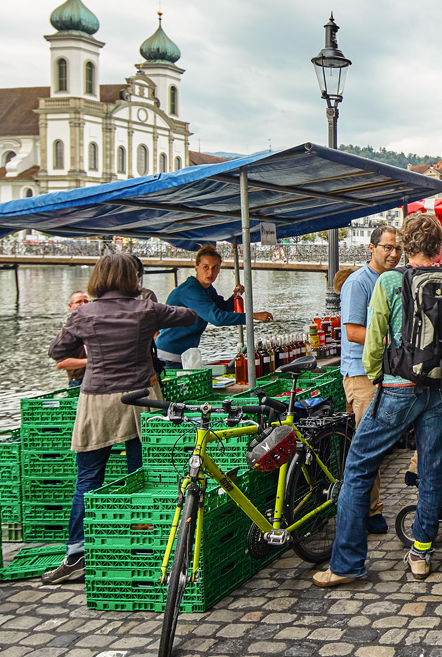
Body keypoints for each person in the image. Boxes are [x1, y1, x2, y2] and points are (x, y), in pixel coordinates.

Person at [312, 214, 442, 586]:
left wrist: (375, 378)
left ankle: (346, 564)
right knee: (431, 468)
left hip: (399, 387)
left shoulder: (389, 281)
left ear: (406, 245)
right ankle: (421, 553)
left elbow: (373, 343)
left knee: (358, 467)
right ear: (438, 247)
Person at [43, 254, 197, 583]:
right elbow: (188, 316)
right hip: (142, 400)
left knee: (87, 480)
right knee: (144, 477)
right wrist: (149, 315)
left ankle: (76, 554)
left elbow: (57, 351)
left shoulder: (83, 313)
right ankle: (147, 547)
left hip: (97, 401)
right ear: (133, 279)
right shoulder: (145, 310)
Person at [339, 225, 400, 535]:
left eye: (397, 248)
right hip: (361, 374)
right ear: (372, 248)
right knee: (367, 443)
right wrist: (393, 339)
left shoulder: (393, 281)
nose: (393, 253)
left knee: (379, 443)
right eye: (387, 247)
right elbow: (352, 331)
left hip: (386, 370)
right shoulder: (357, 283)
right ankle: (370, 511)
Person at [155, 244, 273, 368]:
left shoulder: (207, 289)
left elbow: (222, 307)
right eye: (206, 267)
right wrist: (253, 316)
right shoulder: (190, 290)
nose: (210, 272)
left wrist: (235, 296)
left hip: (184, 355)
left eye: (215, 268)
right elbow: (217, 318)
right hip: (168, 356)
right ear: (196, 268)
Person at [55, 291, 89, 387]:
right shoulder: (68, 333)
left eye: (86, 301)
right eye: (79, 302)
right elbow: (61, 364)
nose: (83, 305)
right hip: (79, 381)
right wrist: (91, 361)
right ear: (70, 306)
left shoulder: (94, 327)